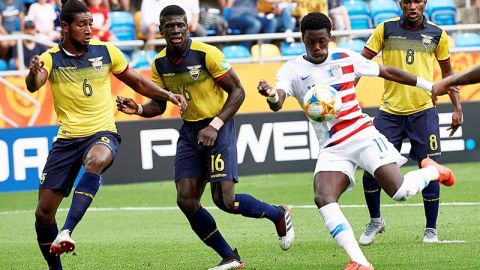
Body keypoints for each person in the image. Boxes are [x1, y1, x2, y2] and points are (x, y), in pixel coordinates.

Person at [256, 12, 455, 270]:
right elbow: (278, 101)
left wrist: (430, 86)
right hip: (332, 147)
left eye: (322, 41)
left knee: (400, 192)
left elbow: (387, 71)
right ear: (301, 38)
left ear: (330, 38)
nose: (317, 47)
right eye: (311, 42)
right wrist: (271, 95)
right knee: (323, 196)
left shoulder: (346, 58)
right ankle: (360, 262)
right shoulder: (291, 70)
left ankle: (431, 171)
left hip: (363, 135)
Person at [116, 5, 294, 270]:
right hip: (189, 132)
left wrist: (216, 124)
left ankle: (277, 214)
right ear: (161, 28)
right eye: (169, 26)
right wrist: (139, 109)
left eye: (180, 25)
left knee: (225, 201)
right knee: (186, 199)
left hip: (218, 127)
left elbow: (238, 91)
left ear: (187, 25)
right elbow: (160, 105)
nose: (175, 30)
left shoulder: (206, 53)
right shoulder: (159, 63)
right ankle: (230, 256)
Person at [26, 1, 186, 269]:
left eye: (90, 23)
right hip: (67, 139)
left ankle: (66, 231)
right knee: (43, 214)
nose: (89, 29)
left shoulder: (107, 52)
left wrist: (167, 94)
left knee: (96, 160)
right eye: (81, 24)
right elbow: (35, 85)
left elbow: (136, 81)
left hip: (102, 132)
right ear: (64, 27)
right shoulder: (51, 58)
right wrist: (33, 75)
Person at [357, 0, 463, 246]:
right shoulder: (384, 29)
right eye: (407, 1)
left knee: (430, 168)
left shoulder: (438, 34)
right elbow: (360, 66)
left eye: (418, 1)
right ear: (400, 4)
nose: (412, 6)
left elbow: (448, 75)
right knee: (371, 168)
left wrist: (457, 107)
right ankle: (375, 220)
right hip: (389, 112)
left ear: (424, 3)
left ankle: (430, 230)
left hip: (423, 112)